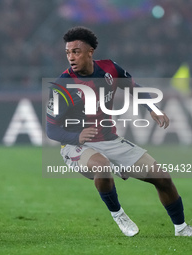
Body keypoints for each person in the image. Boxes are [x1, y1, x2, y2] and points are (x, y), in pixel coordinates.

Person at [46, 26, 191, 237]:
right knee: (102, 167)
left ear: (90, 52)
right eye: (68, 52)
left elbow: (134, 87)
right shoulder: (62, 86)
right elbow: (51, 129)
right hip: (75, 144)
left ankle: (181, 228)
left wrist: (153, 109)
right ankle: (119, 214)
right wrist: (76, 136)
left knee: (163, 178)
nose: (71, 57)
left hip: (109, 139)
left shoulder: (110, 69)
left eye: (76, 51)